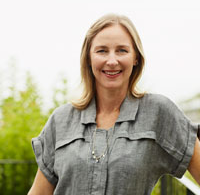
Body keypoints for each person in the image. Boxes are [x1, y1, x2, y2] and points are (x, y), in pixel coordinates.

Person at [28, 13, 200, 195]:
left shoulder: (159, 112)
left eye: (122, 50)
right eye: (102, 50)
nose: (111, 61)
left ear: (136, 58)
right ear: (88, 58)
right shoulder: (61, 120)